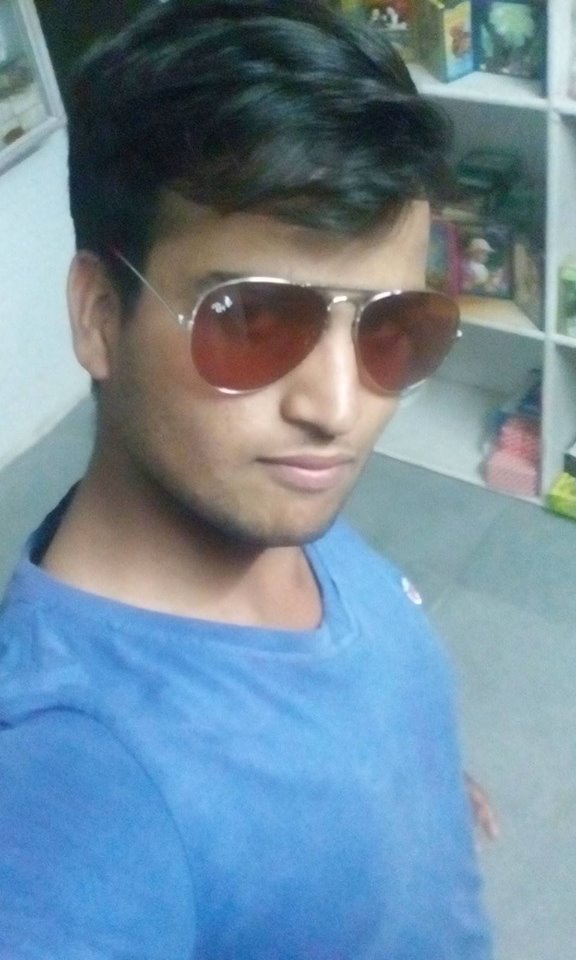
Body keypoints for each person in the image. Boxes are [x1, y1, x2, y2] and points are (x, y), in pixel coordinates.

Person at [0, 1, 494, 957]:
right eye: (253, 322)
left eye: (393, 329)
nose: (338, 406)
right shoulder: (74, 795)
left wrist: (415, 795)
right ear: (100, 317)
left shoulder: (267, 502)